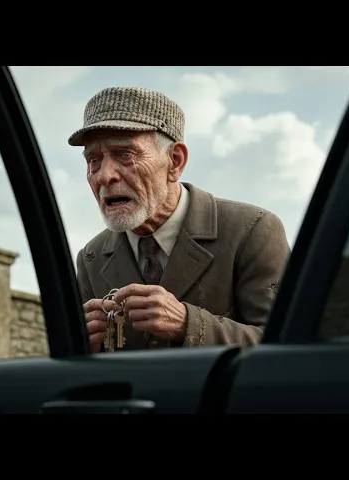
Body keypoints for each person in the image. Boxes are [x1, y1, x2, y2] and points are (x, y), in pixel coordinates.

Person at [69, 86, 291, 353]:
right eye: (93, 160)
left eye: (125, 154)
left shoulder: (253, 230)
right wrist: (82, 347)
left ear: (175, 161)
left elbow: (288, 346)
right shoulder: (91, 258)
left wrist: (189, 324)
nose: (105, 176)